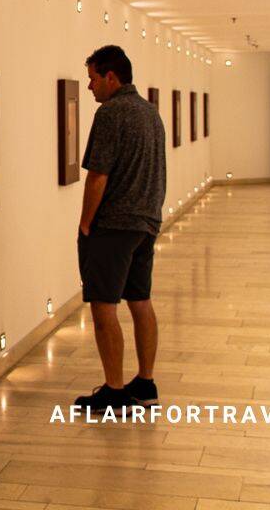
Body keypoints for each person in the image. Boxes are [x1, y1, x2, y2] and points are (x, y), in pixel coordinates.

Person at [73, 45, 166, 412]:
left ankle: (114, 389)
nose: (89, 87)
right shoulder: (150, 113)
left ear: (112, 77)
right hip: (146, 222)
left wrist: (85, 223)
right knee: (140, 301)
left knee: (103, 306)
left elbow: (98, 176)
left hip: (113, 224)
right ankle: (145, 383)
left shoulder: (111, 114)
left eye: (93, 78)